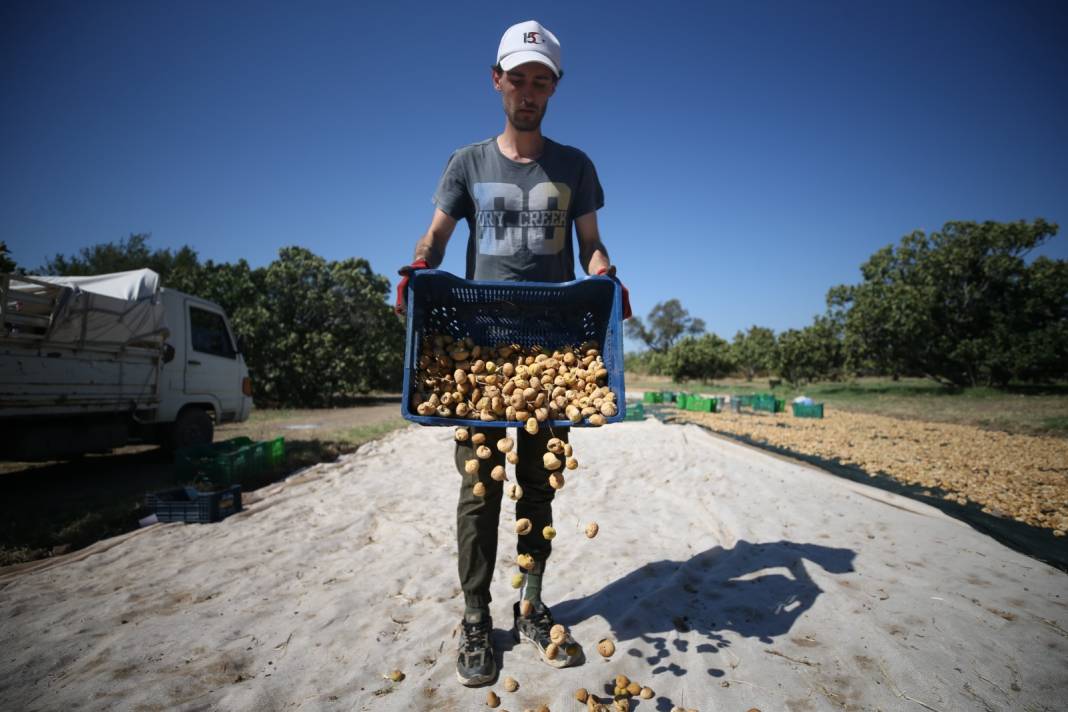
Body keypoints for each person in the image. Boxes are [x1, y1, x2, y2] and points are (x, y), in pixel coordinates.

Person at [395, 19, 631, 687]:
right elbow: (436, 239)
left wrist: (608, 275)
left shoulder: (575, 166)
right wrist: (417, 265)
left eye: (542, 81)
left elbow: (591, 247)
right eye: (518, 79)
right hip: (479, 349)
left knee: (538, 482)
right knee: (480, 490)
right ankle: (475, 616)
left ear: (554, 88)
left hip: (551, 348)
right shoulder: (467, 163)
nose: (529, 91)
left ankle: (529, 603)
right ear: (497, 81)